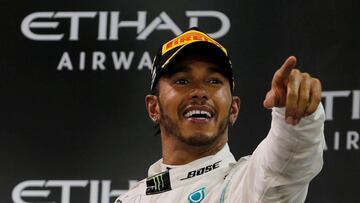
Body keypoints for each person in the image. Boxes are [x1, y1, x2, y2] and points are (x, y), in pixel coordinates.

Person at [115, 27, 325, 203]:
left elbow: (286, 165)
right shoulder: (131, 199)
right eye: (182, 81)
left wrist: (297, 117)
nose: (200, 91)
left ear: (233, 109)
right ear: (154, 108)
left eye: (214, 81)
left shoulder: (244, 186)